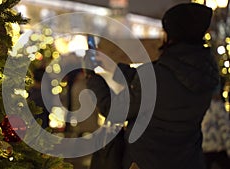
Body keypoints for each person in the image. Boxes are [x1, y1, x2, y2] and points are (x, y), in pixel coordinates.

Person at [86, 3, 220, 169]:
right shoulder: (207, 74)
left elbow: (112, 109)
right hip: (188, 161)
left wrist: (92, 78)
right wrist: (113, 66)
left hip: (146, 161)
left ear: (172, 35)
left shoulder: (155, 77)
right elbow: (162, 82)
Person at [202, 84, 230, 169]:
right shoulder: (217, 106)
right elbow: (225, 130)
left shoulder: (199, 106)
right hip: (218, 151)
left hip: (203, 152)